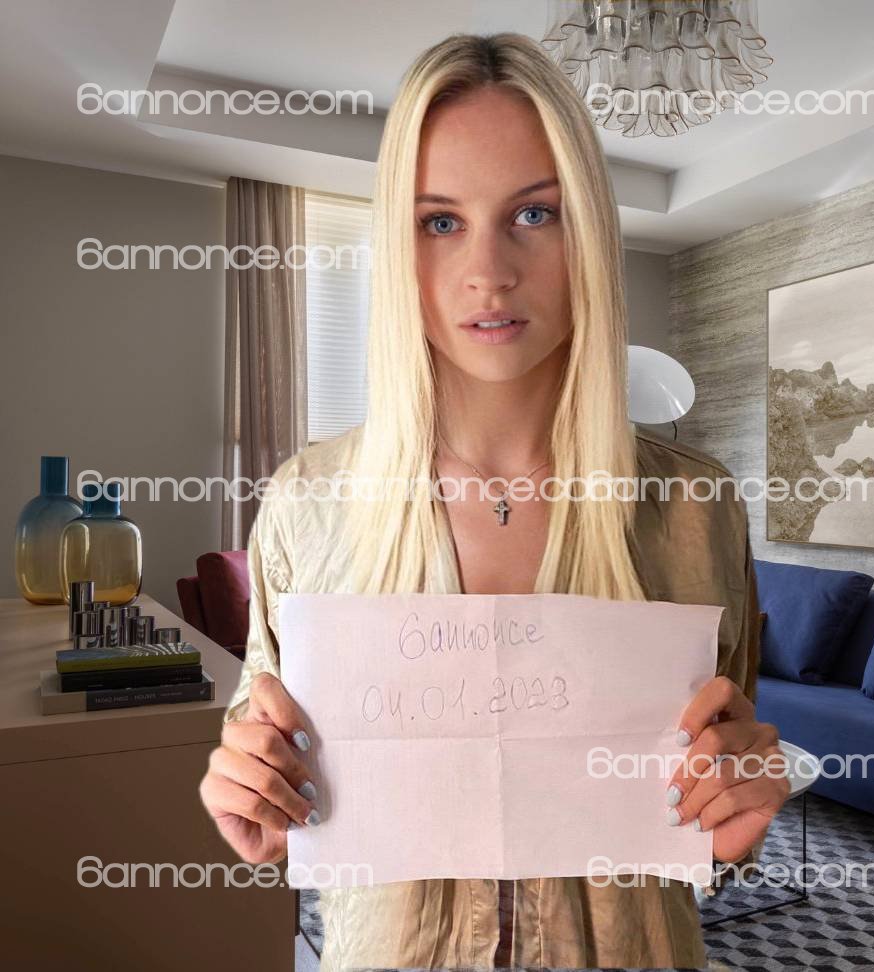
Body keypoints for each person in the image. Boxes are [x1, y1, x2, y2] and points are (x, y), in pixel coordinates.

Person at [199, 32, 789, 970]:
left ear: (588, 235)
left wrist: (733, 817)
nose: (489, 271)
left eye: (535, 214)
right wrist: (248, 786)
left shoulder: (694, 503)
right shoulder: (308, 501)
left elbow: (725, 763)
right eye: (440, 221)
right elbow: (259, 724)